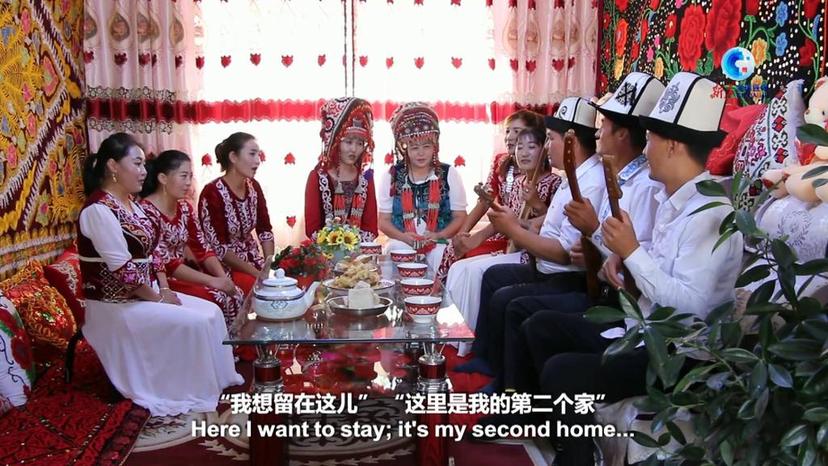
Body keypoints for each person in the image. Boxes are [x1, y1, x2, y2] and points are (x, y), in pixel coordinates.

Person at [525, 73, 743, 465]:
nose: (647, 148)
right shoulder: (674, 200)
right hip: (640, 331)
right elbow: (653, 272)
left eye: (653, 139)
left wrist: (631, 252)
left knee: (563, 372)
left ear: (673, 145)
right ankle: (570, 443)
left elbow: (690, 308)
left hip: (680, 356)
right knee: (543, 328)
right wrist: (622, 260)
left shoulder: (710, 213)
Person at [495, 72, 666, 391]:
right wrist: (592, 250)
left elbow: (629, 268)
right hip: (601, 289)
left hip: (619, 307)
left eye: (605, 125)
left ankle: (520, 404)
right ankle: (514, 396)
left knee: (524, 313)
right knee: (514, 303)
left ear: (623, 134)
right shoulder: (619, 178)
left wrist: (593, 239)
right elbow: (607, 253)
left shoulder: (644, 188)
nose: (598, 132)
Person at [77, 133, 242, 416]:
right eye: (137, 164)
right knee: (195, 323)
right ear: (113, 166)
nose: (144, 172)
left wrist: (163, 291)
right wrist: (158, 298)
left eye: (144, 164)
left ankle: (218, 381)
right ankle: (188, 389)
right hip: (114, 307)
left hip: (144, 295)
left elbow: (153, 255)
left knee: (212, 313)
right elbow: (125, 272)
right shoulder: (98, 211)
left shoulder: (131, 204)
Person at [454, 96, 603, 377]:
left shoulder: (588, 182)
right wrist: (525, 225)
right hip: (543, 265)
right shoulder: (574, 174)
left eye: (550, 139)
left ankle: (508, 385)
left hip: (565, 278)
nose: (547, 147)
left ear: (570, 142)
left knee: (508, 301)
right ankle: (487, 359)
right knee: (492, 277)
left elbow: (564, 253)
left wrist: (514, 230)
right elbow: (551, 224)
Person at [442, 125, 561, 356]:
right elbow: (506, 221)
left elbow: (551, 226)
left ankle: (471, 343)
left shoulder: (555, 183)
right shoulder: (518, 183)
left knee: (475, 272)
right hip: (512, 247)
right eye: (519, 147)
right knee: (458, 268)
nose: (523, 153)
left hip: (532, 254)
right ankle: (452, 336)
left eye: (531, 147)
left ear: (544, 150)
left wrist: (537, 204)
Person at [139, 150, 244, 327]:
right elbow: (166, 262)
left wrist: (223, 279)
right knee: (218, 298)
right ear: (163, 178)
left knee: (235, 293)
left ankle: (234, 344)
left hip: (186, 274)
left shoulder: (185, 208)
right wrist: (213, 281)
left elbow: (203, 248)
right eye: (183, 176)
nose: (188, 182)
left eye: (190, 176)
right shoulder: (146, 211)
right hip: (162, 280)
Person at [437, 110, 548, 276]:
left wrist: (477, 238)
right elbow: (484, 201)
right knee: (453, 248)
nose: (509, 137)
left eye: (516, 131)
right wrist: (462, 233)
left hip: (516, 237)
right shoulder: (501, 161)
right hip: (497, 230)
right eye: (507, 131)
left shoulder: (539, 174)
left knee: (471, 261)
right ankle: (437, 291)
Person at [377, 102, 468, 276]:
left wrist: (438, 235)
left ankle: (437, 293)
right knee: (398, 250)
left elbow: (460, 216)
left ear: (434, 146)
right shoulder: (392, 176)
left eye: (426, 146)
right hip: (402, 240)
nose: (421, 153)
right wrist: (404, 237)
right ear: (404, 148)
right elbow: (383, 221)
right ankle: (402, 292)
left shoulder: (449, 173)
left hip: (439, 240)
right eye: (414, 147)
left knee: (441, 253)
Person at [199, 132, 274, 294]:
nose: (258, 160)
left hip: (254, 261)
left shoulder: (254, 186)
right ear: (233, 157)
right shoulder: (212, 193)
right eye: (252, 154)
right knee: (261, 291)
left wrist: (269, 265)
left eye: (258, 154)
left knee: (283, 284)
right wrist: (257, 274)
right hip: (224, 267)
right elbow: (219, 248)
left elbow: (265, 230)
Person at [304, 97, 378, 241]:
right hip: (325, 249)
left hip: (359, 251)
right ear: (335, 142)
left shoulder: (365, 179)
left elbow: (371, 227)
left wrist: (353, 245)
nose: (354, 149)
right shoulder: (317, 177)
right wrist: (335, 245)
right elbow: (312, 228)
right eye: (348, 142)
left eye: (360, 143)